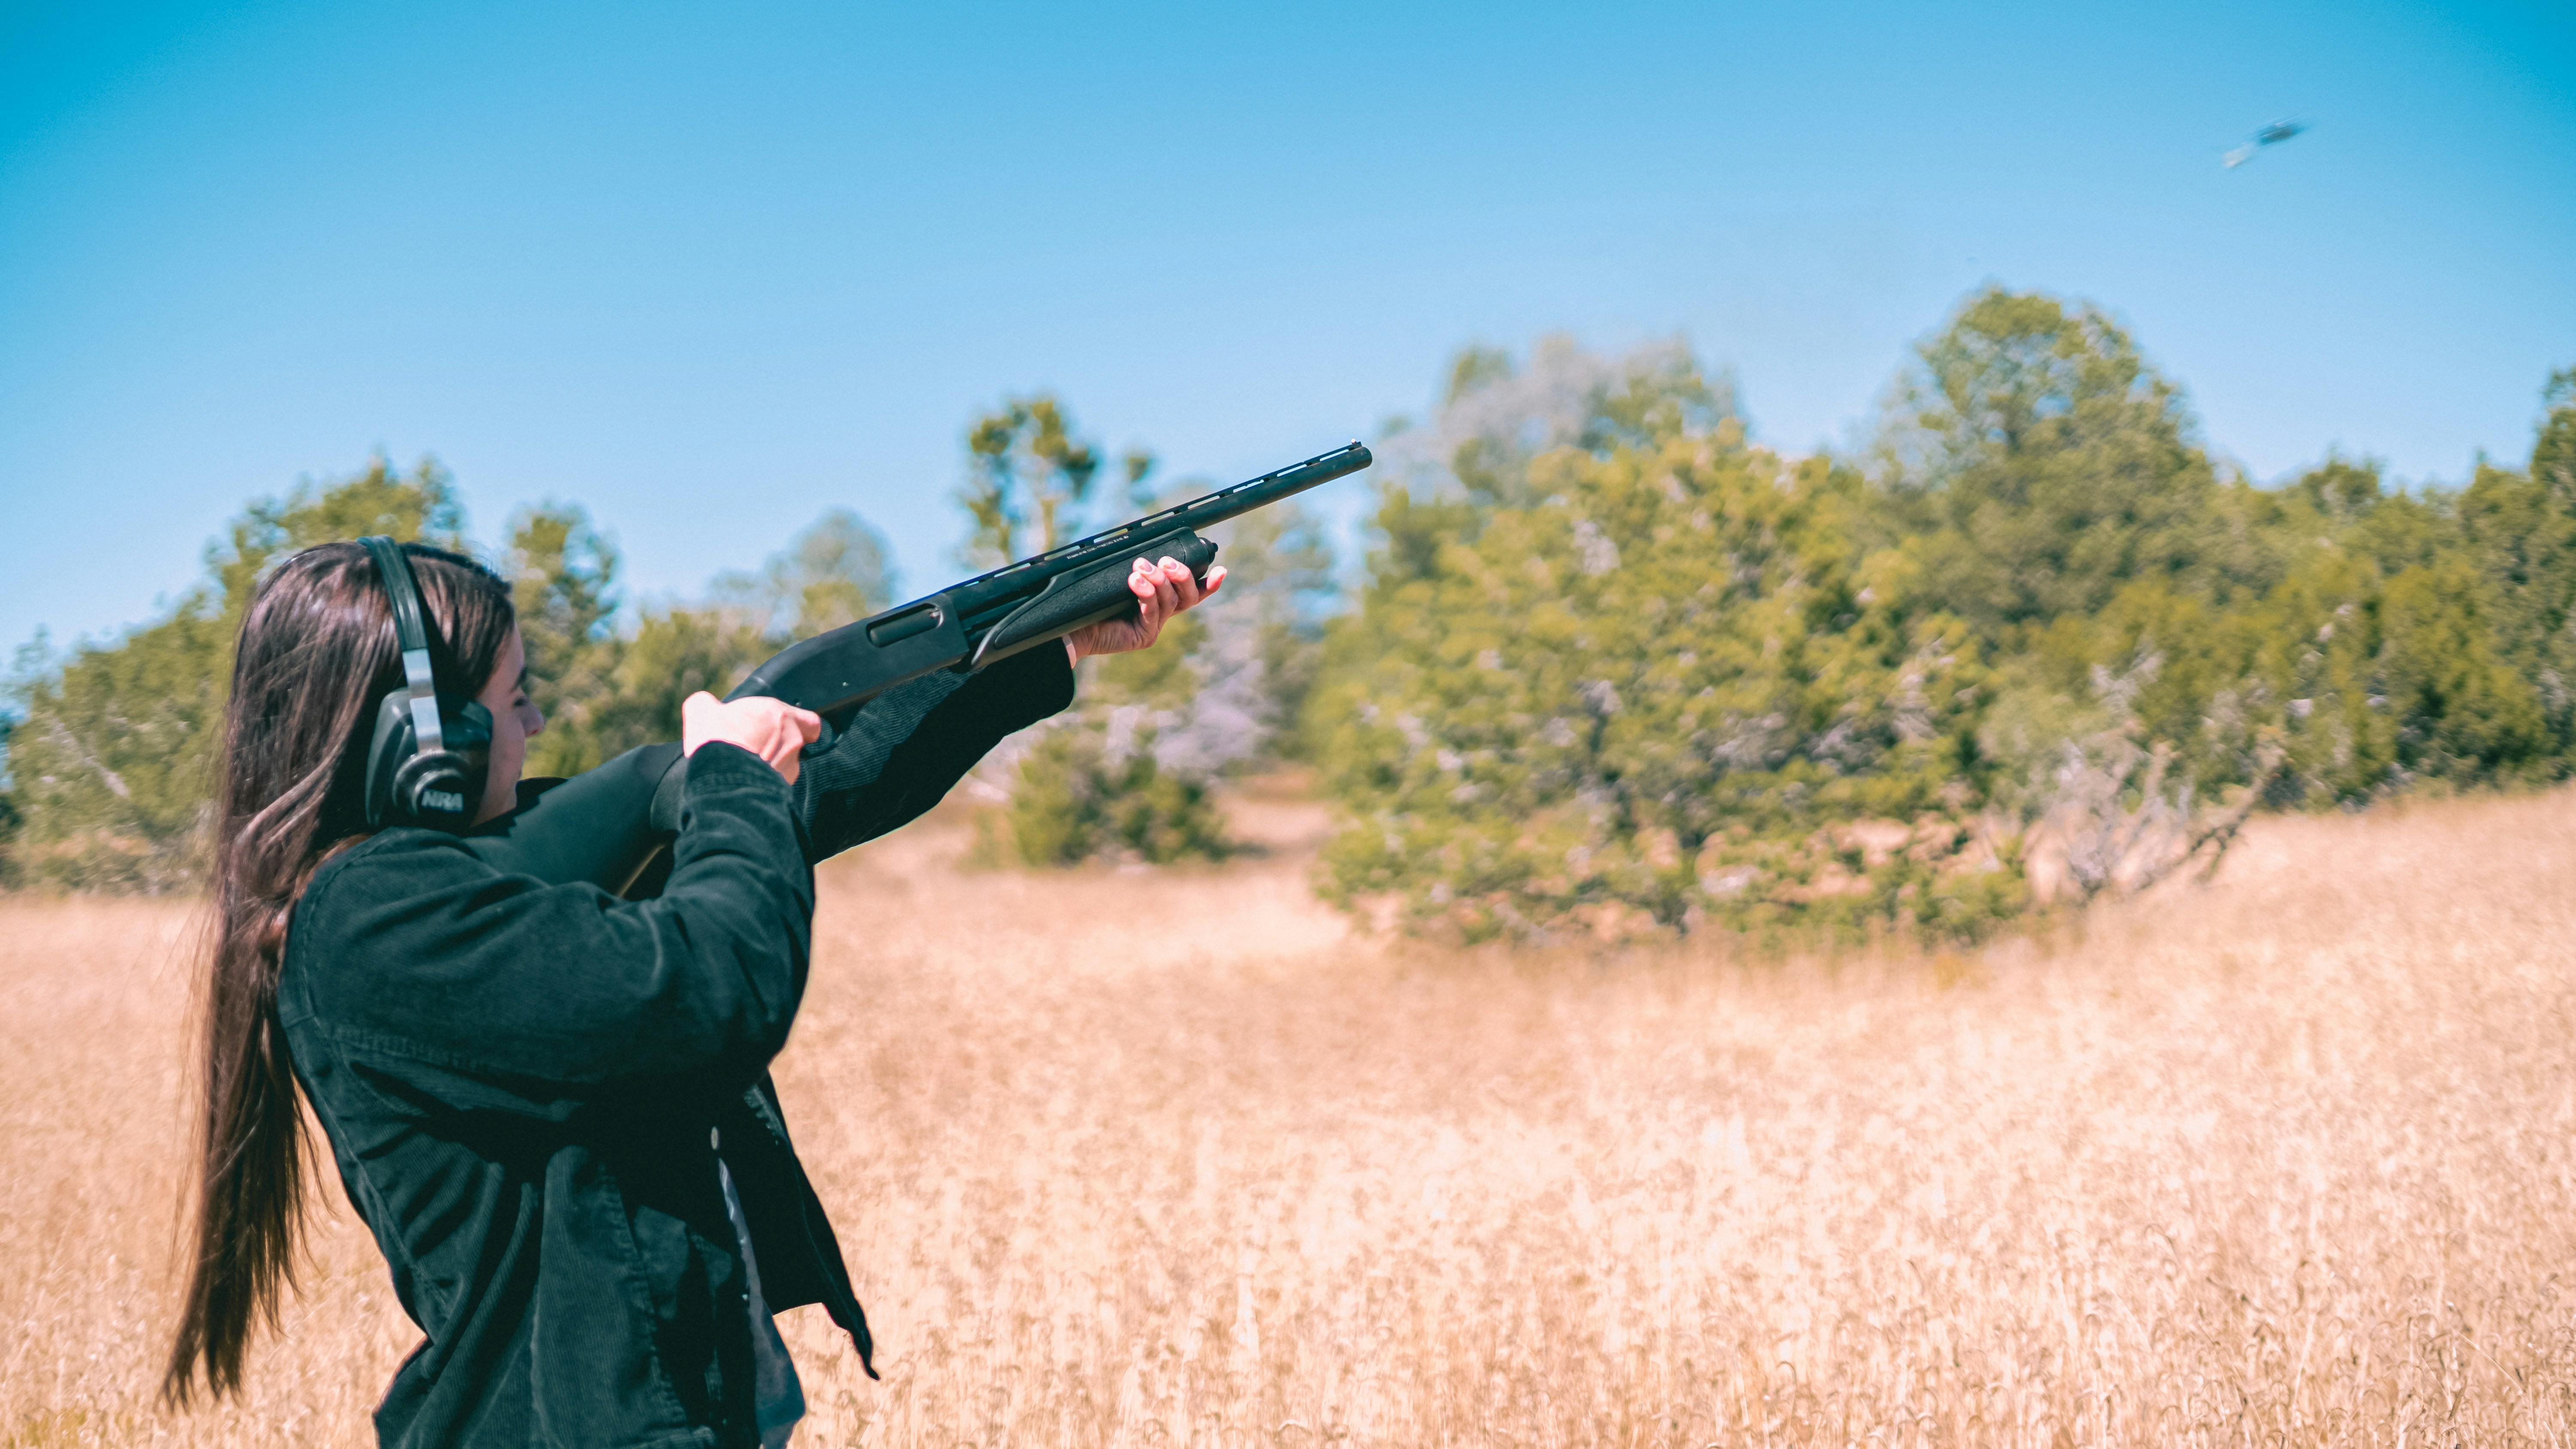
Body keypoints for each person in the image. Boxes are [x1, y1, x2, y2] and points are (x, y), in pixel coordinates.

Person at [161, 538, 1222, 1447]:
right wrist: (734, 779)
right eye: (513, 698)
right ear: (424, 745)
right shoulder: (373, 921)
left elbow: (834, 787)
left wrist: (1047, 645)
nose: (536, 720)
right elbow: (710, 990)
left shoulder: (460, 884)